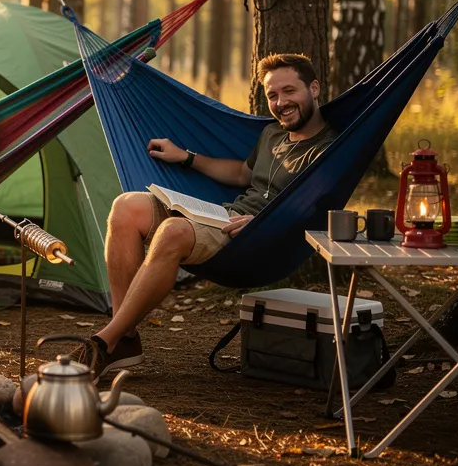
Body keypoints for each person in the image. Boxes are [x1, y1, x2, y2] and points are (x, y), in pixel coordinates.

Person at [74, 53, 339, 376]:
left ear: (313, 88)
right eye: (272, 95)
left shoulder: (330, 150)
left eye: (289, 91)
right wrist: (185, 157)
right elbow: (243, 174)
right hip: (227, 217)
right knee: (126, 206)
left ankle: (104, 342)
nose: (281, 102)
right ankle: (124, 337)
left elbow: (312, 208)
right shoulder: (272, 134)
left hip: (256, 239)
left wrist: (263, 222)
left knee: (173, 230)